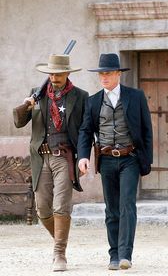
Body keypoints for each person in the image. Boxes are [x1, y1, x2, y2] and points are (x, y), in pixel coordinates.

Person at [13, 54, 88, 272]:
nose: (54, 77)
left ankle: (59, 254)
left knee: (61, 205)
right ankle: (61, 239)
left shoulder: (80, 96)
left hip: (64, 157)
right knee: (43, 208)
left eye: (58, 73)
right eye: (51, 74)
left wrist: (83, 157)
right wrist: (27, 105)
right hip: (40, 157)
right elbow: (18, 123)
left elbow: (85, 131)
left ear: (67, 74)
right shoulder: (37, 94)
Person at [78, 53, 153, 270]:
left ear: (118, 74)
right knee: (112, 209)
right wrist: (83, 156)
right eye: (101, 73)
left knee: (127, 205)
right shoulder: (92, 101)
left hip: (130, 158)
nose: (104, 77)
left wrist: (145, 161)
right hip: (107, 160)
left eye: (108, 73)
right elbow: (85, 131)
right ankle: (114, 255)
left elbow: (147, 130)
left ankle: (125, 255)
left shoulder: (135, 96)